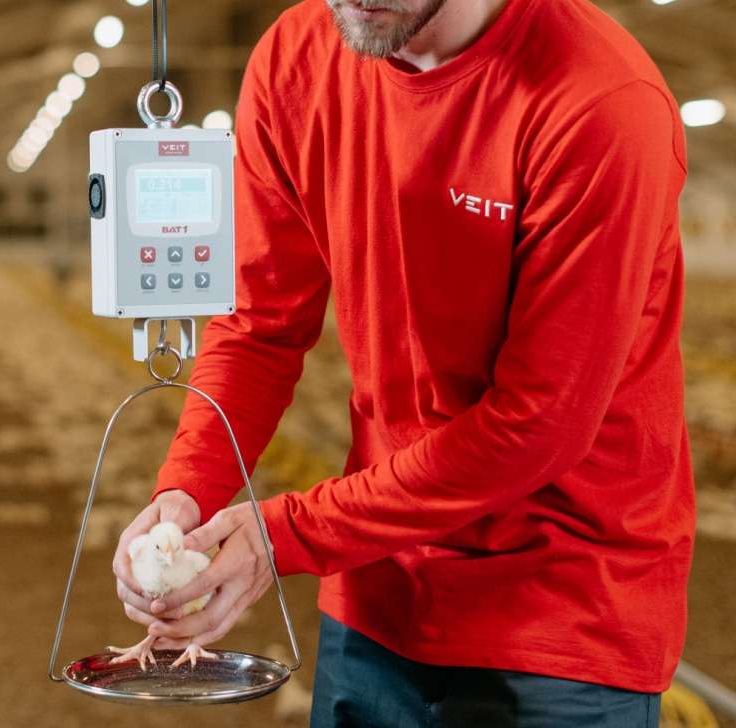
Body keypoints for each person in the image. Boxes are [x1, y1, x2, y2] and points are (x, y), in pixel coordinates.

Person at [113, 0, 694, 725]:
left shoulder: (599, 101)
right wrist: (188, 495)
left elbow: (537, 425)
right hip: (378, 589)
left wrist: (286, 533)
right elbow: (261, 325)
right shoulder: (297, 61)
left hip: (561, 611)